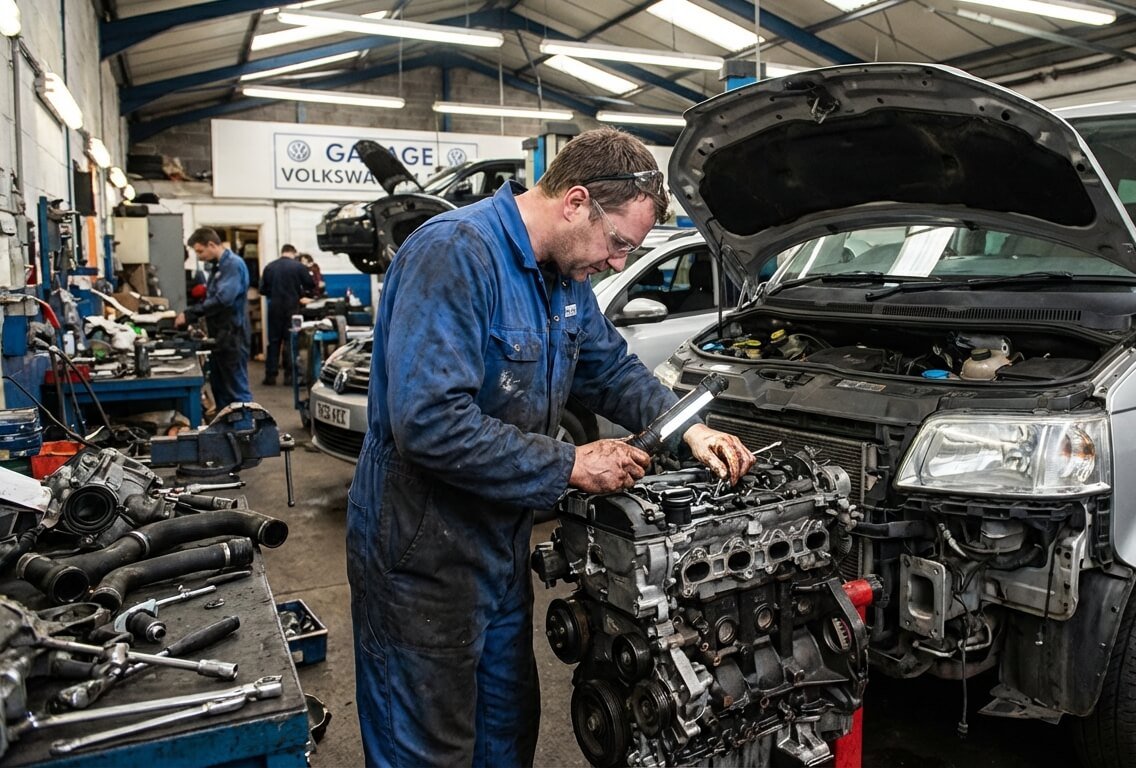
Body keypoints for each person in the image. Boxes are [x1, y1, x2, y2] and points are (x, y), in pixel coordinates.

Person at [347, 127, 755, 767]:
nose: (620, 262)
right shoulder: (456, 254)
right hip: (421, 555)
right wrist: (570, 462)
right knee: (427, 750)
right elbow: (427, 422)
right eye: (620, 243)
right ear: (575, 201)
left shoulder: (563, 278)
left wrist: (690, 429)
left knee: (506, 735)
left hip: (501, 550)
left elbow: (613, 371)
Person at [177, 227, 251, 409]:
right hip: (221, 334)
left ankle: (246, 432)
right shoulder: (219, 267)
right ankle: (228, 431)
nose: (199, 256)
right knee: (222, 388)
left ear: (211, 244)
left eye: (200, 251)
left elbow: (224, 299)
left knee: (235, 389)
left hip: (233, 334)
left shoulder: (232, 264)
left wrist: (190, 314)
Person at [258, 244, 315, 385]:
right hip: (292, 308)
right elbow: (310, 285)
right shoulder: (298, 267)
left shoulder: (269, 267)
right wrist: (299, 292)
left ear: (282, 252)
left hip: (274, 308)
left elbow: (262, 290)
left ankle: (270, 376)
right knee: (291, 341)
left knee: (274, 342)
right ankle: (290, 377)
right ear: (293, 253)